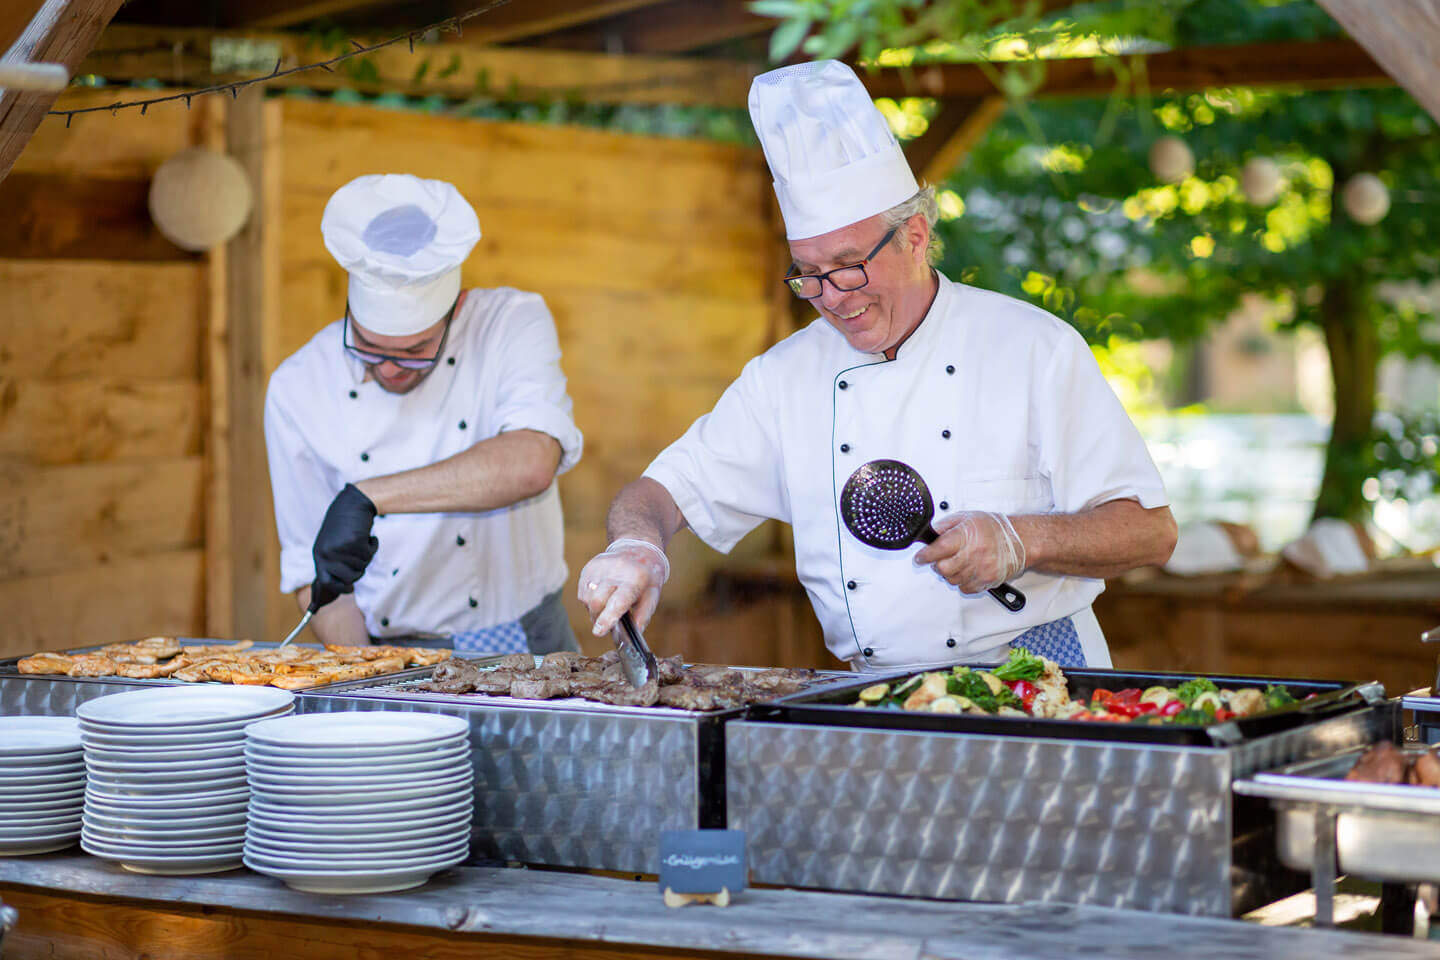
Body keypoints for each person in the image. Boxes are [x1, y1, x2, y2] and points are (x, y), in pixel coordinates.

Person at [578, 61, 1176, 672]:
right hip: (878, 690)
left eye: (848, 266)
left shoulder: (1032, 348)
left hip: (1036, 673)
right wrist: (636, 546)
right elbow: (659, 491)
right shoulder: (785, 377)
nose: (832, 296)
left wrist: (1023, 539)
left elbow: (1150, 531)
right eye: (809, 274)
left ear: (915, 236)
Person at [264, 173, 583, 654]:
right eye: (369, 347)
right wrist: (366, 676)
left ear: (457, 308)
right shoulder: (298, 387)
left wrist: (367, 497)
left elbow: (531, 462)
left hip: (524, 636)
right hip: (386, 649)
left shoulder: (510, 323)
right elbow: (315, 576)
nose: (390, 368)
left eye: (415, 351)